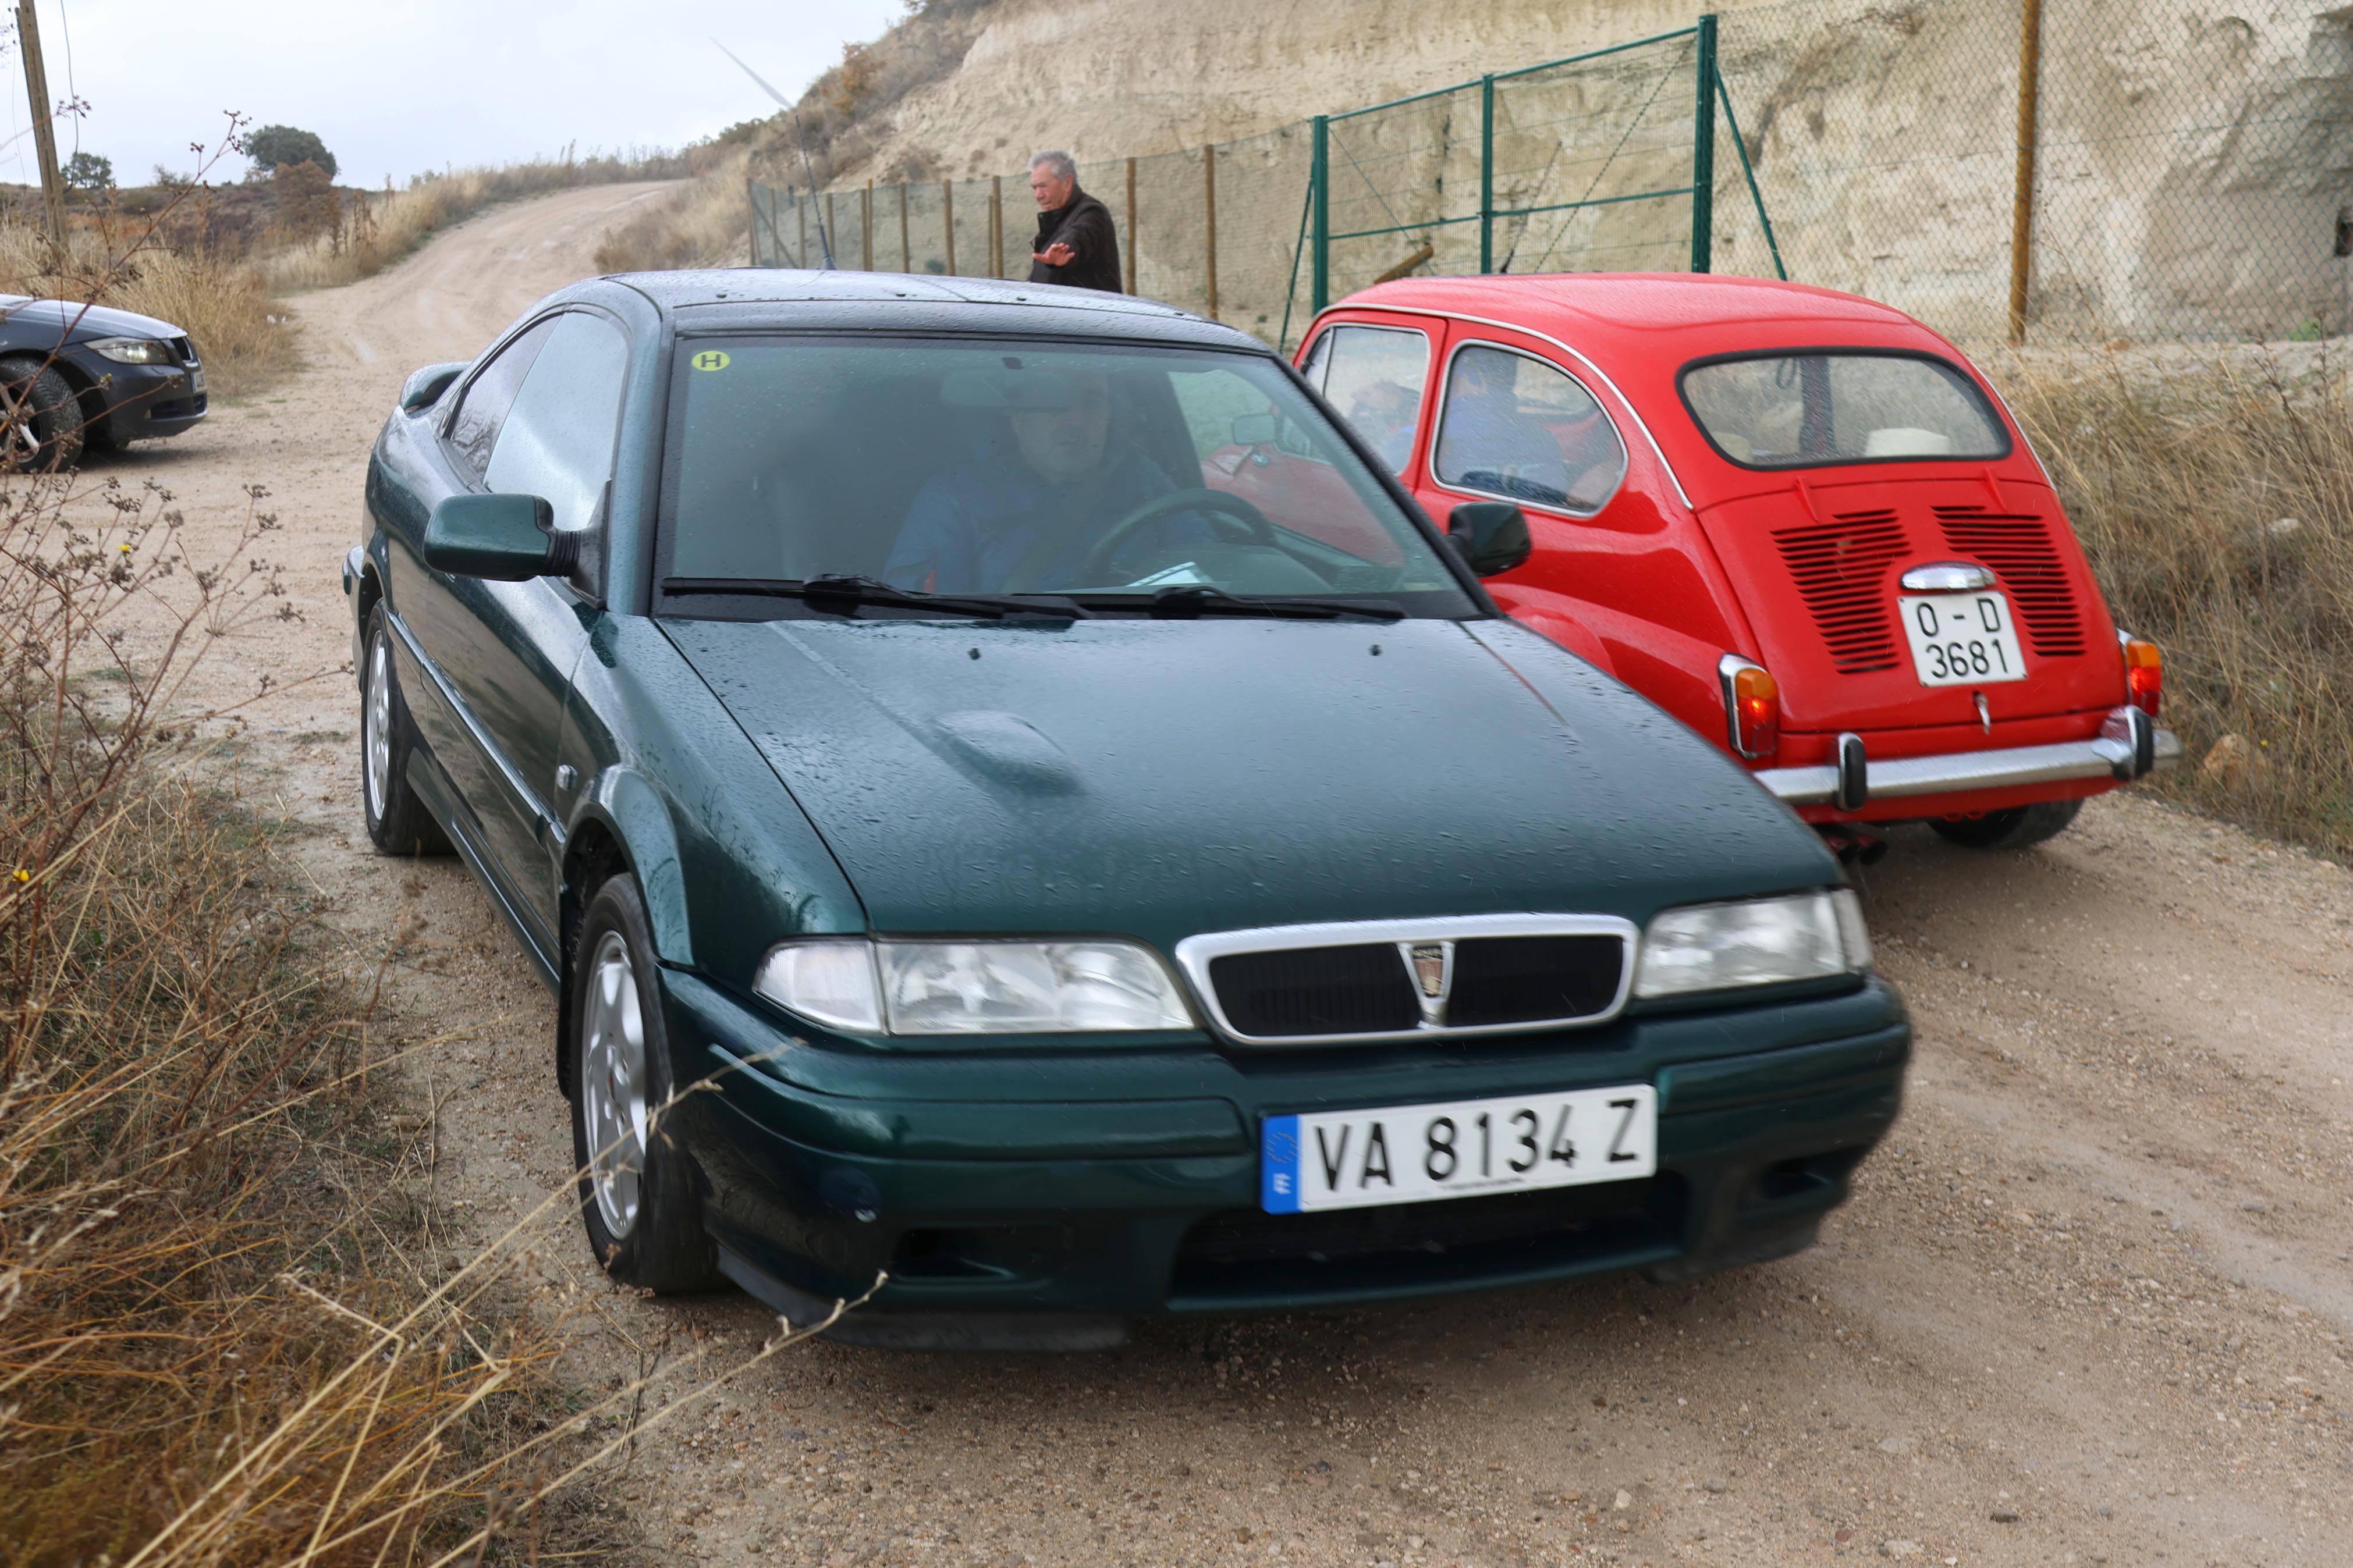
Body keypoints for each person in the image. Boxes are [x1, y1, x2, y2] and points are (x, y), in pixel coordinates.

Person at [884, 364, 1208, 593]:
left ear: (1110, 414)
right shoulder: (954, 501)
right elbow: (931, 628)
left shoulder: (1144, 479)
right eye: (1055, 400)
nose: (1076, 419)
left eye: (1092, 402)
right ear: (1018, 417)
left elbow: (1211, 572)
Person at [1025, 150, 1122, 293]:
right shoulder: (1058, 218)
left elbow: (1080, 234)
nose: (1038, 195)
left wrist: (1065, 249)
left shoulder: (1092, 212)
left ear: (1067, 182)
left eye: (1043, 186)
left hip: (1089, 313)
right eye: (1035, 188)